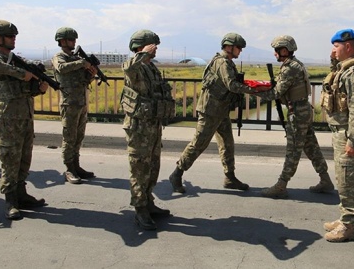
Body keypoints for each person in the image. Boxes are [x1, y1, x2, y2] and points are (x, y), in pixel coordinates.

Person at [169, 33, 267, 194]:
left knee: (227, 144)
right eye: (239, 48)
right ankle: (177, 174)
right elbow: (232, 85)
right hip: (210, 111)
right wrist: (256, 89)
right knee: (198, 144)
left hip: (220, 110)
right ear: (229, 47)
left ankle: (229, 177)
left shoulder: (227, 62)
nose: (240, 51)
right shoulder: (222, 63)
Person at [258, 35, 334, 199]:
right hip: (303, 110)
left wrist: (255, 91)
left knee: (293, 150)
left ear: (284, 50)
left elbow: (278, 92)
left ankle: (281, 185)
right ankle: (325, 180)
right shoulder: (296, 64)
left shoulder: (290, 68)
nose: (275, 54)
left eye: (276, 50)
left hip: (298, 113)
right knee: (311, 147)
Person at [0, 20, 47, 220]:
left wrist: (39, 87)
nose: (13, 39)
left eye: (14, 36)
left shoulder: (17, 60)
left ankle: (21, 193)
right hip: (8, 119)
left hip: (25, 117)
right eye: (10, 36)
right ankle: (10, 200)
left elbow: (29, 89)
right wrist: (25, 74)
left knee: (24, 158)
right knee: (9, 159)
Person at [320, 29, 354, 242]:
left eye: (336, 46)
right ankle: (345, 218)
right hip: (340, 134)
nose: (333, 50)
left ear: (348, 46)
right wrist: (333, 61)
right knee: (343, 179)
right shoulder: (344, 70)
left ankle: (349, 226)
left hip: (349, 136)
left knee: (349, 180)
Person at [121, 29, 175, 230]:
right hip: (139, 128)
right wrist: (143, 54)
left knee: (153, 166)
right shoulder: (135, 66)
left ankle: (148, 201)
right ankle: (140, 209)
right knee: (139, 168)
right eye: (152, 46)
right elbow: (127, 68)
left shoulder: (151, 68)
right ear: (141, 46)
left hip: (153, 125)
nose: (155, 50)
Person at [51, 27, 97, 184]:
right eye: (70, 40)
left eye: (74, 40)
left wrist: (90, 73)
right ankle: (69, 168)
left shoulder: (76, 59)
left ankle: (76, 165)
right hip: (69, 103)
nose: (73, 42)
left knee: (78, 137)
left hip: (81, 102)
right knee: (69, 137)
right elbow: (61, 68)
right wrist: (81, 63)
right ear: (62, 41)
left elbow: (83, 81)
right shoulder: (59, 57)